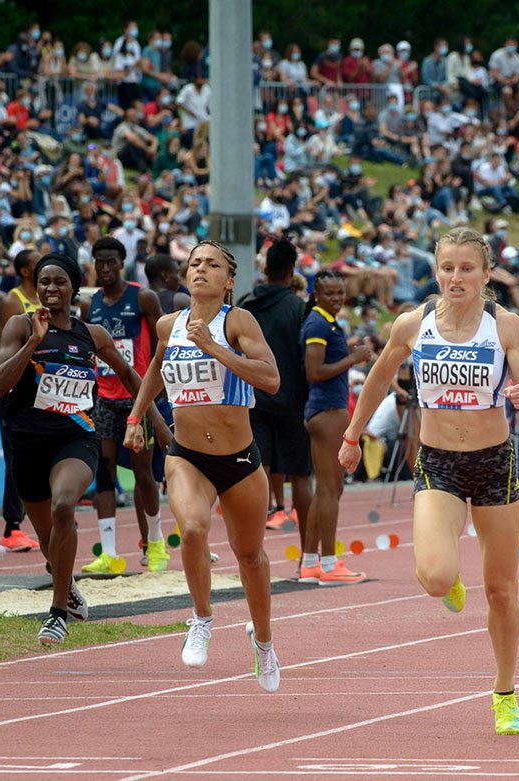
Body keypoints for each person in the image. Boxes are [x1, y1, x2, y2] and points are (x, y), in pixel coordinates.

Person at [339, 227, 519, 735]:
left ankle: (504, 692)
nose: (456, 277)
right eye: (447, 268)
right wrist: (352, 434)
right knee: (434, 577)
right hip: (439, 464)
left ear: (486, 274)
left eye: (467, 268)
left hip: (495, 463)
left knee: (500, 591)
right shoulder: (413, 324)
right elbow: (380, 377)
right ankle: (451, 580)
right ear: (435, 272)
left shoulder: (505, 326)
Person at [124, 240, 283, 692]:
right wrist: (137, 416)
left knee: (250, 556)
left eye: (212, 264)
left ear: (229, 280)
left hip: (239, 459)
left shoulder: (238, 321)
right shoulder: (168, 324)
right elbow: (156, 366)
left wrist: (215, 348)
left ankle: (264, 643)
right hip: (187, 455)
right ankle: (201, 618)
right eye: (195, 263)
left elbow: (270, 378)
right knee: (192, 529)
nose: (201, 270)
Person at [0, 253, 167, 644]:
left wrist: (154, 419)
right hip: (28, 443)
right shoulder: (20, 326)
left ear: (74, 288)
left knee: (64, 505)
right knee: (52, 549)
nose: (51, 288)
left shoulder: (92, 334)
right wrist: (33, 344)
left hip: (76, 438)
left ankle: (56, 615)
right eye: (44, 282)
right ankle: (65, 582)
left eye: (59, 282)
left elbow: (128, 373)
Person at [79, 237, 165, 573]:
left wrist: (157, 392)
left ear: (122, 262)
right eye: (99, 262)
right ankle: (110, 553)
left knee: (144, 474)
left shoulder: (143, 298)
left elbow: (162, 348)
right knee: (104, 472)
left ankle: (155, 544)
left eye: (111, 261)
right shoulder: (90, 305)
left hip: (137, 398)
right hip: (103, 399)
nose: (104, 268)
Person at [299, 270, 371, 585]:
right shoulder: (317, 322)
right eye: (330, 293)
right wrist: (354, 359)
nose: (337, 299)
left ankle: (311, 563)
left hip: (327, 410)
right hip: (327, 411)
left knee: (326, 490)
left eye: (340, 293)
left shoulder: (325, 321)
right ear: (316, 294)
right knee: (330, 489)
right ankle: (328, 565)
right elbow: (314, 371)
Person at [237, 239, 312, 540]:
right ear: (292, 270)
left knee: (256, 474)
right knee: (302, 477)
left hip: (253, 400)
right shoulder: (300, 309)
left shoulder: (244, 306)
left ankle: (253, 551)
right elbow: (308, 360)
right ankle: (308, 555)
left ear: (264, 268)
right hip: (293, 402)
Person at [0, 248, 42, 553]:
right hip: (14, 390)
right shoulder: (13, 301)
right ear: (25, 271)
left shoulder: (48, 300)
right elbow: (4, 352)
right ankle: (12, 528)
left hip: (42, 389)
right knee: (15, 455)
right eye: (38, 265)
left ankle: (45, 516)